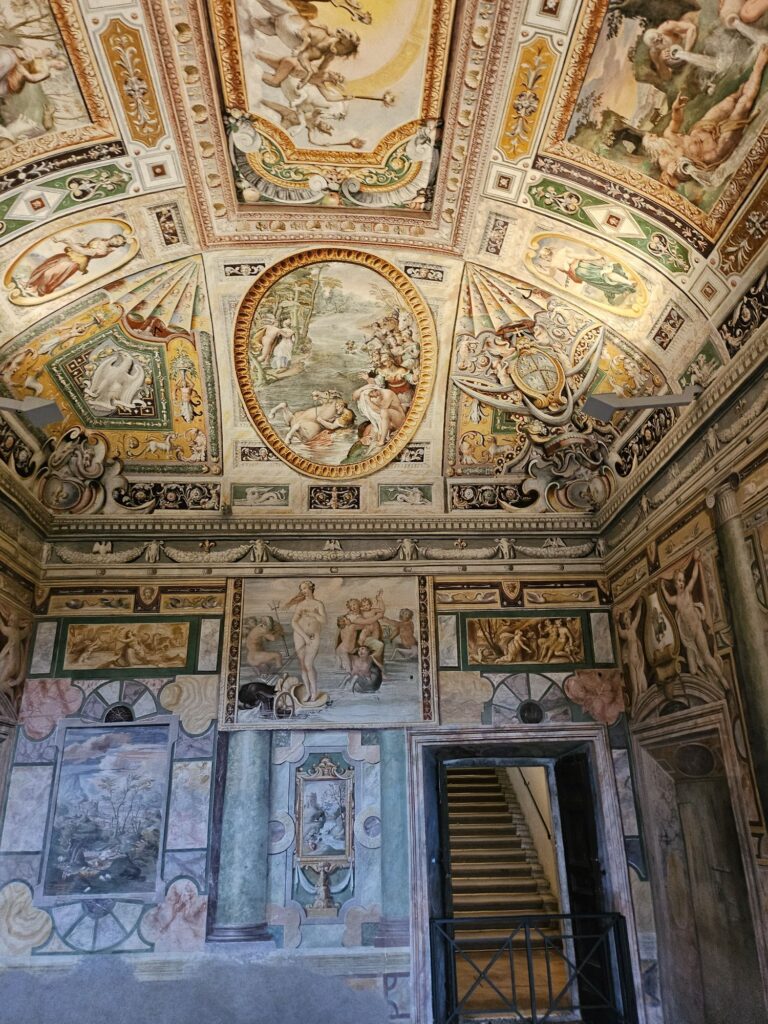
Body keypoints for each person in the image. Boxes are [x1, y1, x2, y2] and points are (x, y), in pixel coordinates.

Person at [642, 45, 768, 189]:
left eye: (652, 134)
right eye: (651, 137)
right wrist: (678, 171)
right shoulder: (665, 161)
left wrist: (676, 109)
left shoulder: (668, 134)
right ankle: (759, 67)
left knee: (731, 100)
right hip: (714, 149)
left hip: (703, 128)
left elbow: (677, 121)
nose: (655, 135)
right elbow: (679, 176)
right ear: (651, 147)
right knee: (743, 106)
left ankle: (749, 80)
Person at [662, 551, 728, 686]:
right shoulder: (676, 599)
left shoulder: (687, 592)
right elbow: (668, 599)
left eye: (682, 581)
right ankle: (707, 680)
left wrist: (696, 562)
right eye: (679, 581)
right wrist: (662, 586)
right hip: (688, 638)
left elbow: (693, 577)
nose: (681, 583)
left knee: (707, 658)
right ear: (675, 583)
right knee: (692, 670)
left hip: (697, 630)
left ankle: (723, 681)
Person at [21, 234, 128, 298]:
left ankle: (37, 289)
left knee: (50, 273)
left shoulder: (103, 251)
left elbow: (84, 251)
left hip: (75, 261)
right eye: (117, 238)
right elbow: (83, 245)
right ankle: (30, 283)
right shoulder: (100, 239)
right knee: (47, 265)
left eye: (118, 242)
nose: (115, 240)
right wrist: (64, 241)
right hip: (70, 254)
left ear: (117, 246)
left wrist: (69, 242)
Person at [283, 580, 327, 702]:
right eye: (302, 589)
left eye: (305, 588)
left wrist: (314, 615)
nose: (303, 591)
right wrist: (304, 636)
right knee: (302, 665)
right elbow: (294, 622)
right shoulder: (300, 605)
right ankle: (308, 692)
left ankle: (314, 692)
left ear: (311, 588)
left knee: (308, 664)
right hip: (299, 635)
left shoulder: (318, 604)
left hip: (313, 636)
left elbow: (324, 620)